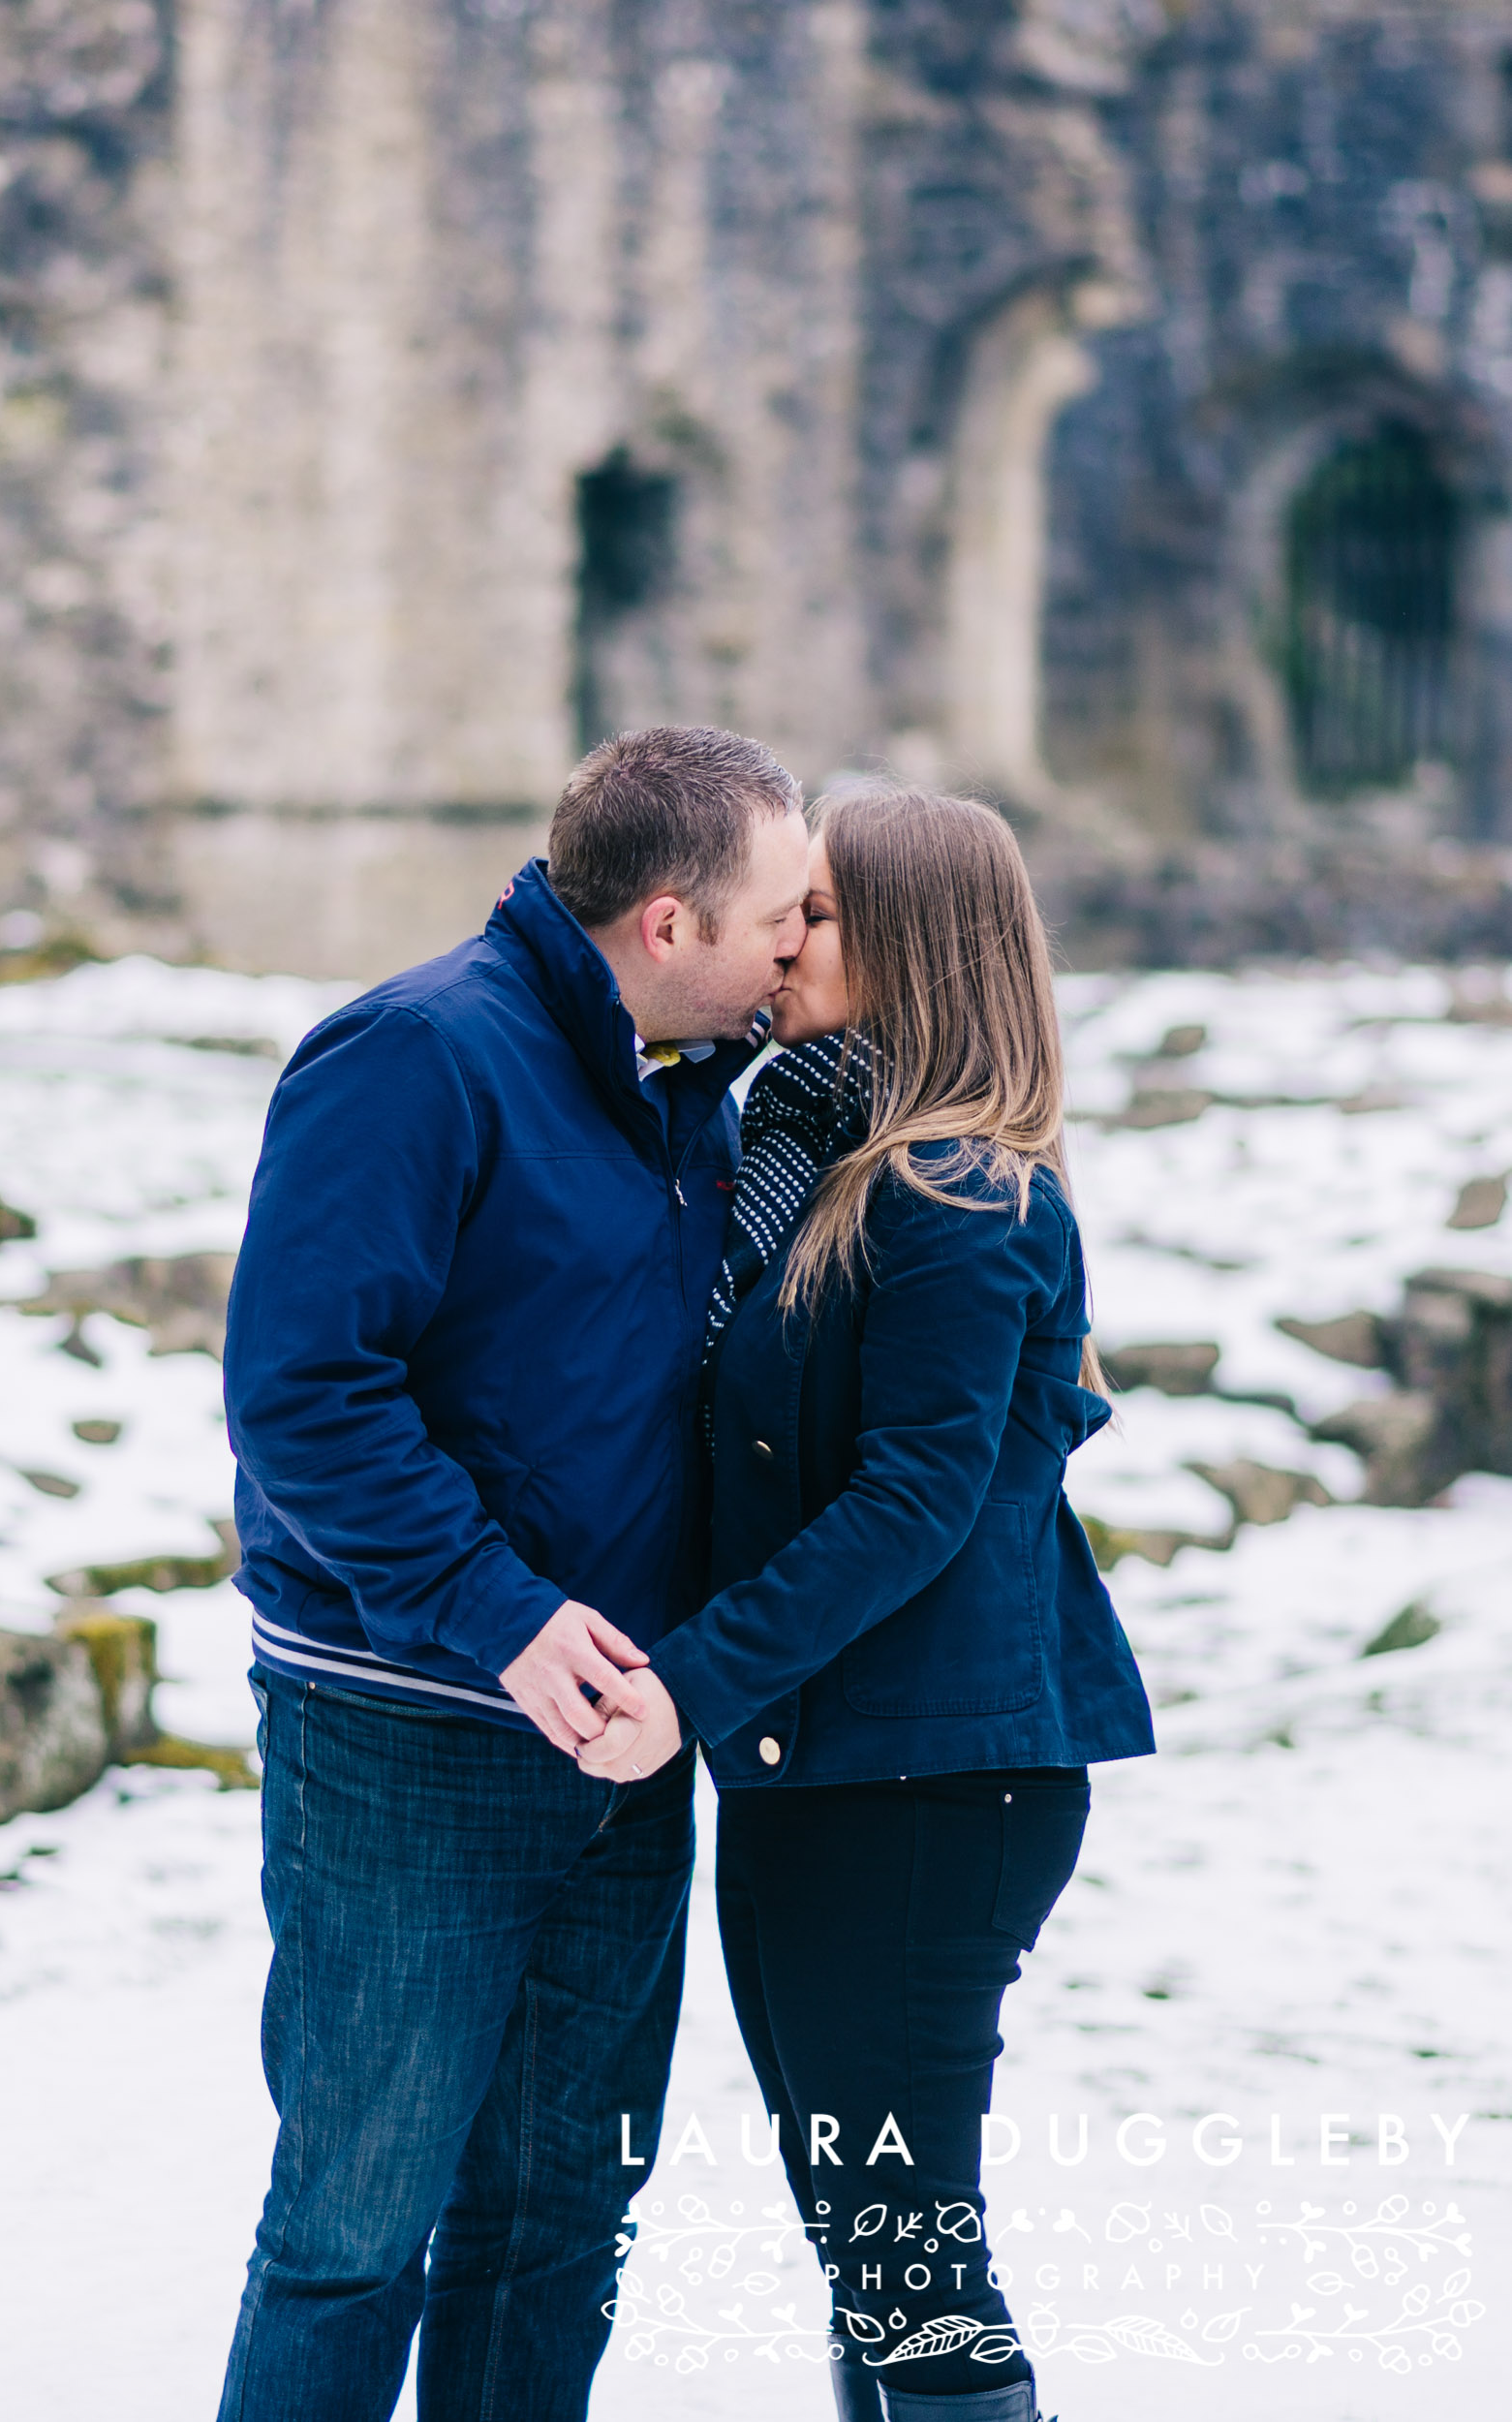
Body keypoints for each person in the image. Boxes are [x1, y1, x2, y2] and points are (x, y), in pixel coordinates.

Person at [215, 725, 810, 2420]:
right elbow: (301, 1397)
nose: (798, 944)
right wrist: (502, 1616)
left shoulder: (700, 1090)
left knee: (558, 2223)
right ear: (672, 922)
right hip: (411, 1737)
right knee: (355, 2230)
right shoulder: (414, 1057)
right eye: (780, 913)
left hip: (623, 1753)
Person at [579, 784, 1157, 2422]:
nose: (783, 935)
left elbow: (912, 1501)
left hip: (926, 1784)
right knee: (872, 2252)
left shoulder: (955, 1195)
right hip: (826, 1768)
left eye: (817, 912)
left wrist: (684, 1685)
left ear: (911, 940)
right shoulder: (818, 1151)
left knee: (910, 2269)